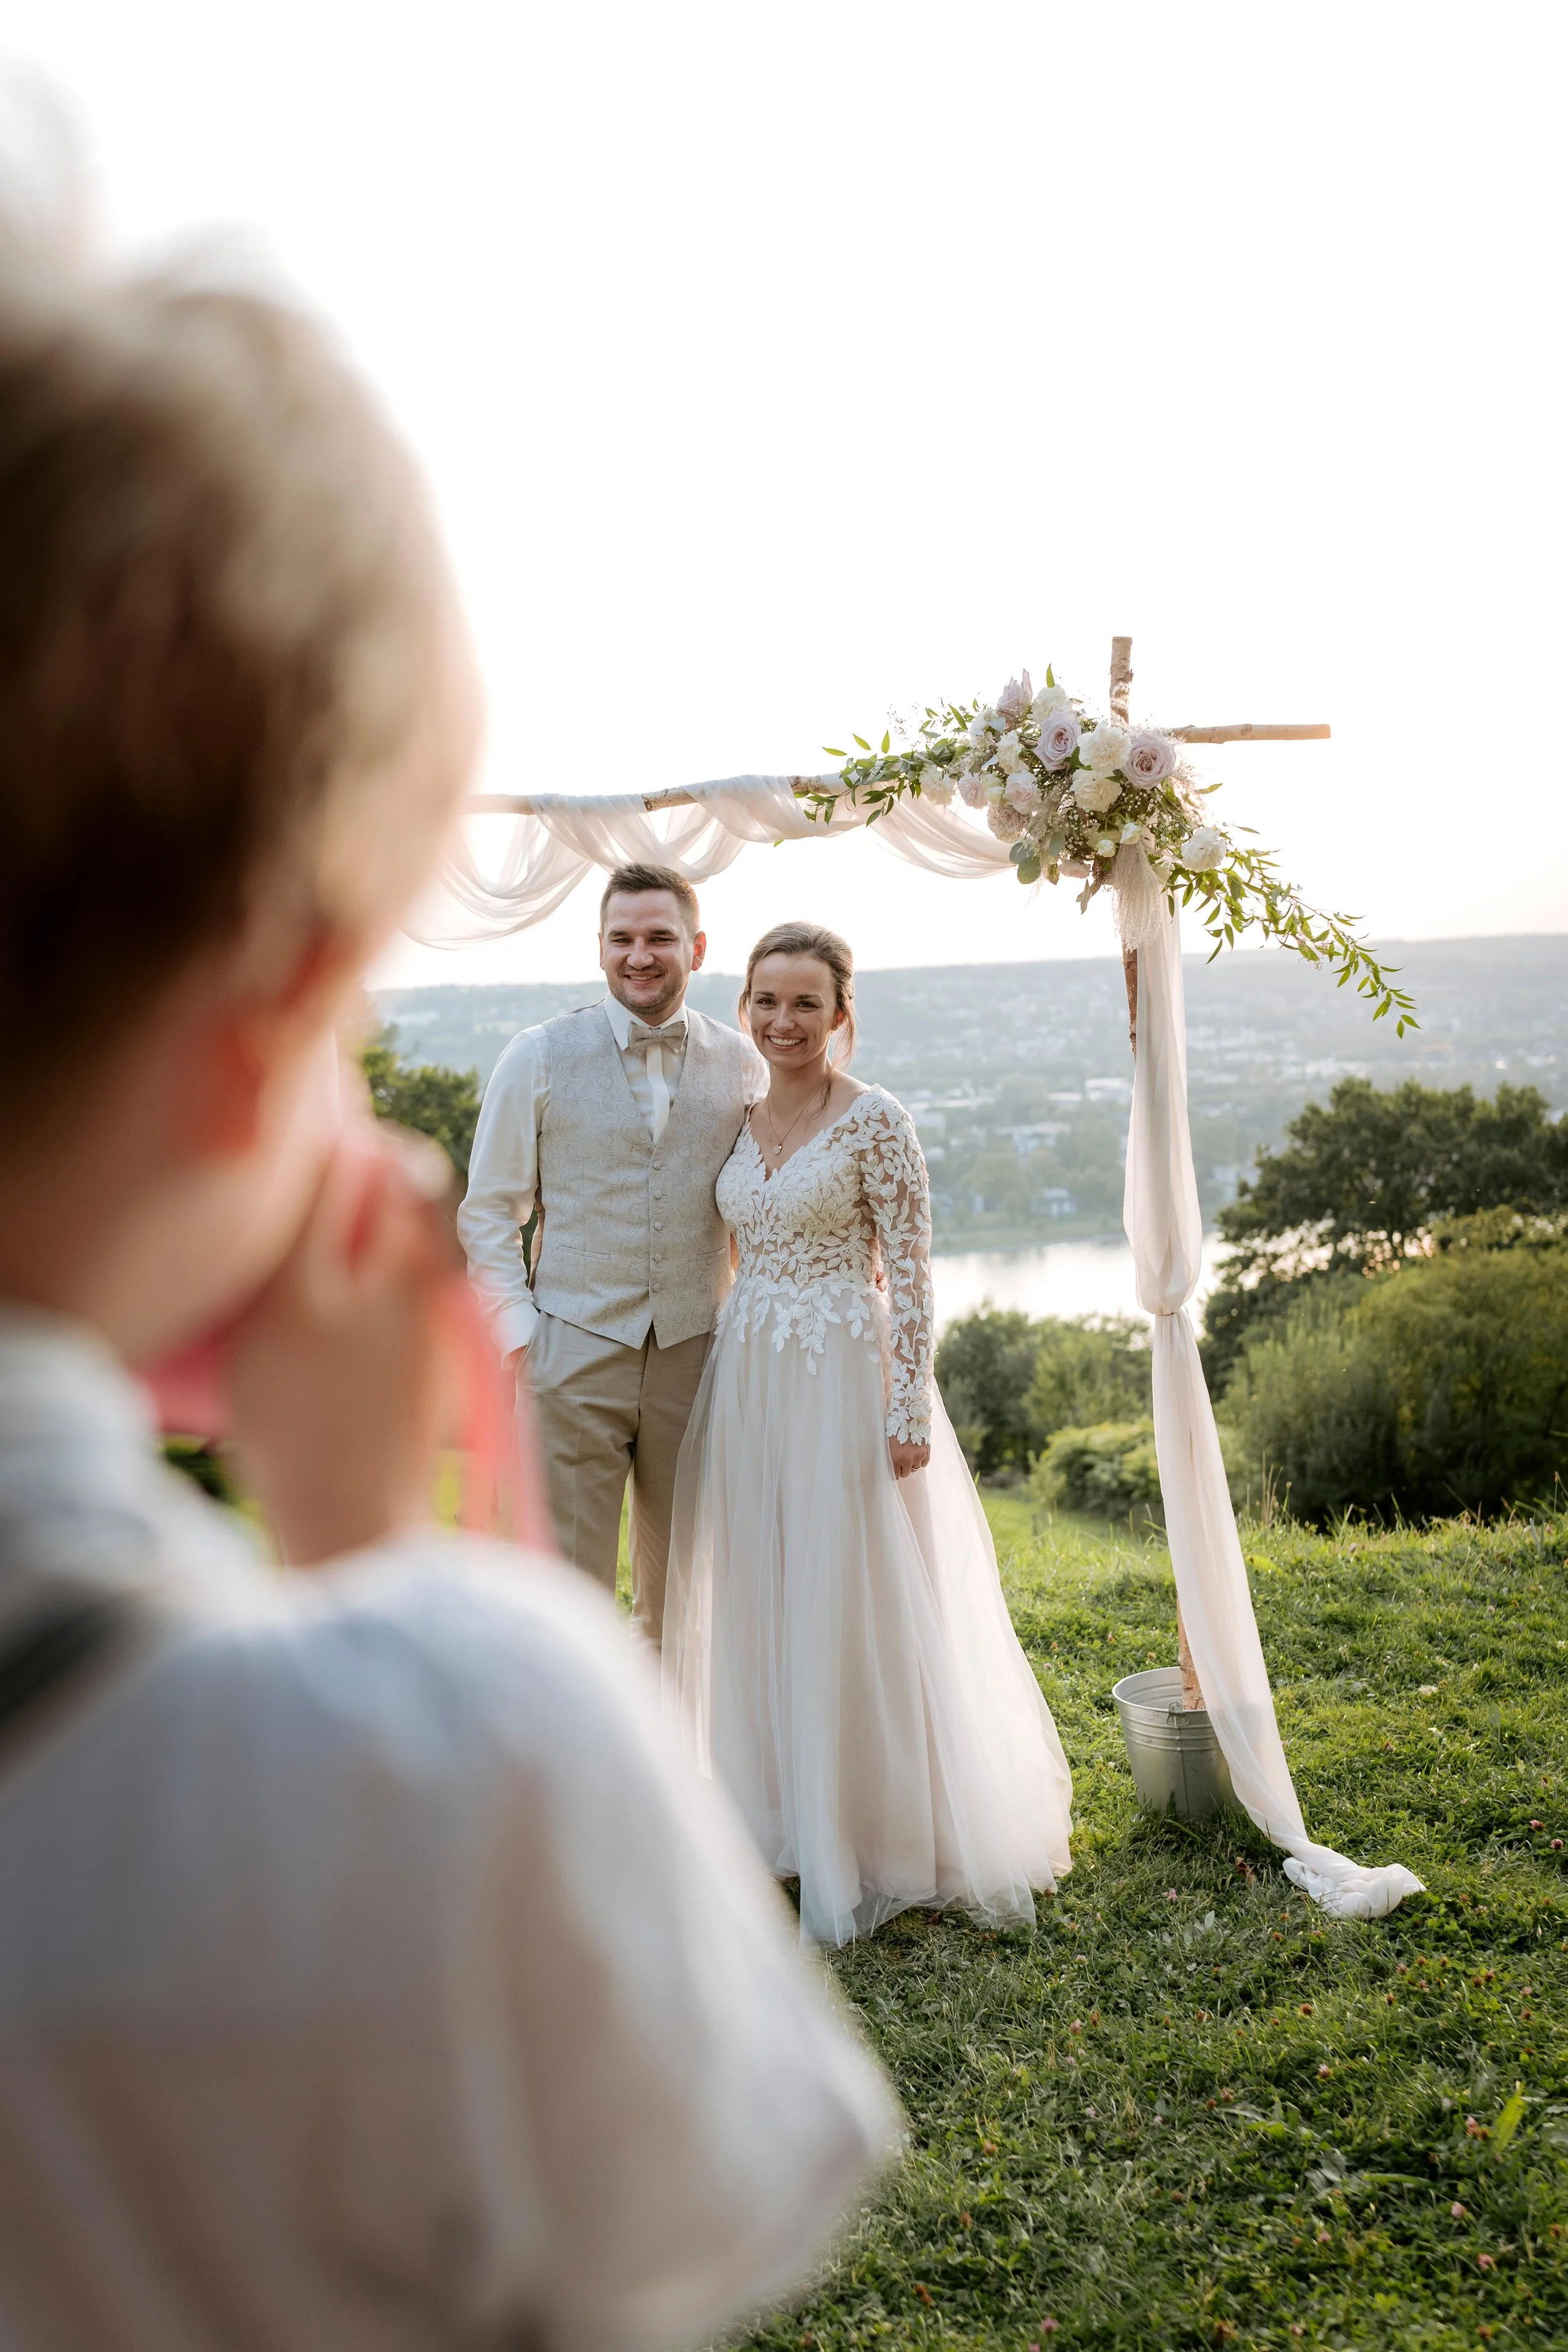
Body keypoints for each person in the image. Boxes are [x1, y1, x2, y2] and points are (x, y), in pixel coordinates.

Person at [0, 225, 896, 2346]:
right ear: (272, 1020)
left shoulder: (761, 1078)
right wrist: (400, 1572)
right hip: (567, 1370)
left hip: (707, 1354)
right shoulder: (453, 1752)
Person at [663, 923, 1076, 1946]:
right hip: (752, 1375)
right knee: (762, 1590)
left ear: (843, 1015)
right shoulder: (737, 1117)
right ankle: (781, 1818)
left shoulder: (877, 1121)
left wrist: (906, 1412)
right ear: (744, 1005)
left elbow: (918, 1269)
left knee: (852, 1599)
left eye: (807, 1003)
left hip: (847, 1379)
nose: (783, 1021)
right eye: (766, 1000)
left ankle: (878, 1829)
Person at [458, 866, 765, 1650]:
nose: (640, 955)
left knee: (687, 1593)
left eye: (659, 938)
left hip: (698, 1354)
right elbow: (491, 1211)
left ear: (694, 948)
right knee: (565, 1599)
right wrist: (521, 1339)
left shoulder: (743, 1065)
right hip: (570, 1347)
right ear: (599, 948)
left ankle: (670, 1763)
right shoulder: (536, 1055)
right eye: (622, 938)